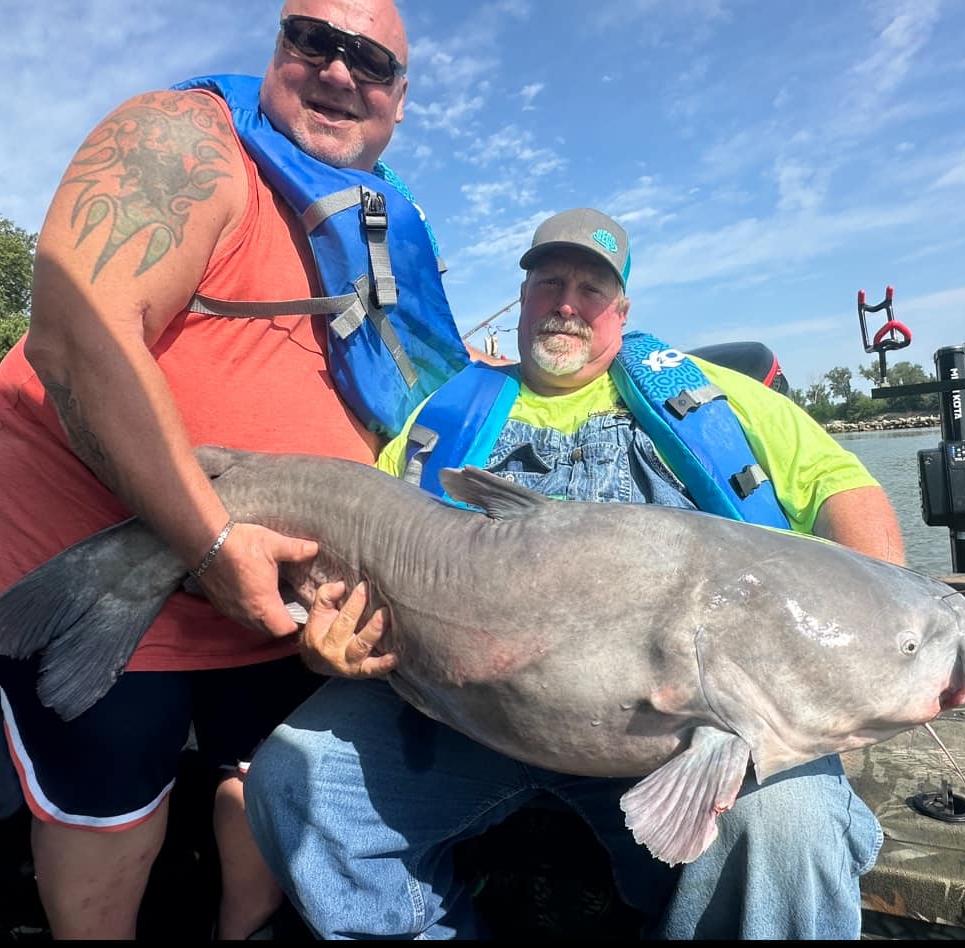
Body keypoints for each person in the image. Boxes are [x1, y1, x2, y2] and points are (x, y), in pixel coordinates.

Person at [243, 208, 907, 939]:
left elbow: (846, 492)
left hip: (688, 735)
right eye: (549, 282)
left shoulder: (720, 395)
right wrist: (331, 635)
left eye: (590, 289)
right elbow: (367, 551)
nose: (566, 303)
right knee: (294, 781)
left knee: (790, 826)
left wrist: (873, 636)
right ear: (522, 298)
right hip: (463, 718)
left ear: (621, 310)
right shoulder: (445, 412)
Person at [0, 0, 450, 939]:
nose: (341, 72)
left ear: (400, 97)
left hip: (274, 586)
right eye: (315, 41)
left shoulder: (380, 221)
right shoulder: (184, 139)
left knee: (258, 775)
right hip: (104, 563)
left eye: (372, 62)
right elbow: (78, 336)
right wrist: (213, 538)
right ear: (277, 49)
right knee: (110, 805)